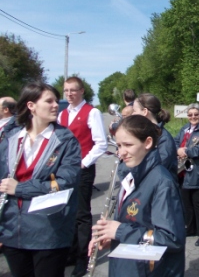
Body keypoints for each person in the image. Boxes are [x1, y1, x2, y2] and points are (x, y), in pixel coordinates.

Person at [0, 82, 81, 277]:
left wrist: (21, 189)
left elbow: (65, 183)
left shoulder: (65, 140)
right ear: (31, 106)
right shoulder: (11, 139)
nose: (56, 105)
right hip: (13, 233)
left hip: (48, 234)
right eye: (49, 101)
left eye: (55, 100)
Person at [89, 115, 185, 277]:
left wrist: (120, 231)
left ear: (147, 143)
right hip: (130, 263)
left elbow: (171, 239)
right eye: (118, 145)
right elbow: (136, 222)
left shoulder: (162, 182)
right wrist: (111, 236)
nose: (121, 153)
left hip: (147, 270)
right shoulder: (131, 174)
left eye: (128, 145)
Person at [58, 76, 107, 277]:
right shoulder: (62, 115)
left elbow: (101, 143)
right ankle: (70, 251)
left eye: (73, 90)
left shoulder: (92, 112)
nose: (69, 94)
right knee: (65, 212)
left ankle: (82, 257)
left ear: (81, 92)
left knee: (81, 214)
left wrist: (83, 163)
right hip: (62, 171)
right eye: (66, 90)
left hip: (82, 170)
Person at [174, 103, 199, 246]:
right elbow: (176, 141)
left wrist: (187, 151)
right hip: (183, 172)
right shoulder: (185, 128)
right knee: (186, 203)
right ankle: (190, 228)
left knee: (198, 203)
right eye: (190, 115)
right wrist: (177, 149)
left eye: (196, 114)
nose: (193, 117)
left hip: (198, 172)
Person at [132, 93, 177, 180]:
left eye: (134, 110)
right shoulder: (145, 134)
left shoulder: (164, 138)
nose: (132, 114)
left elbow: (159, 169)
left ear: (145, 111)